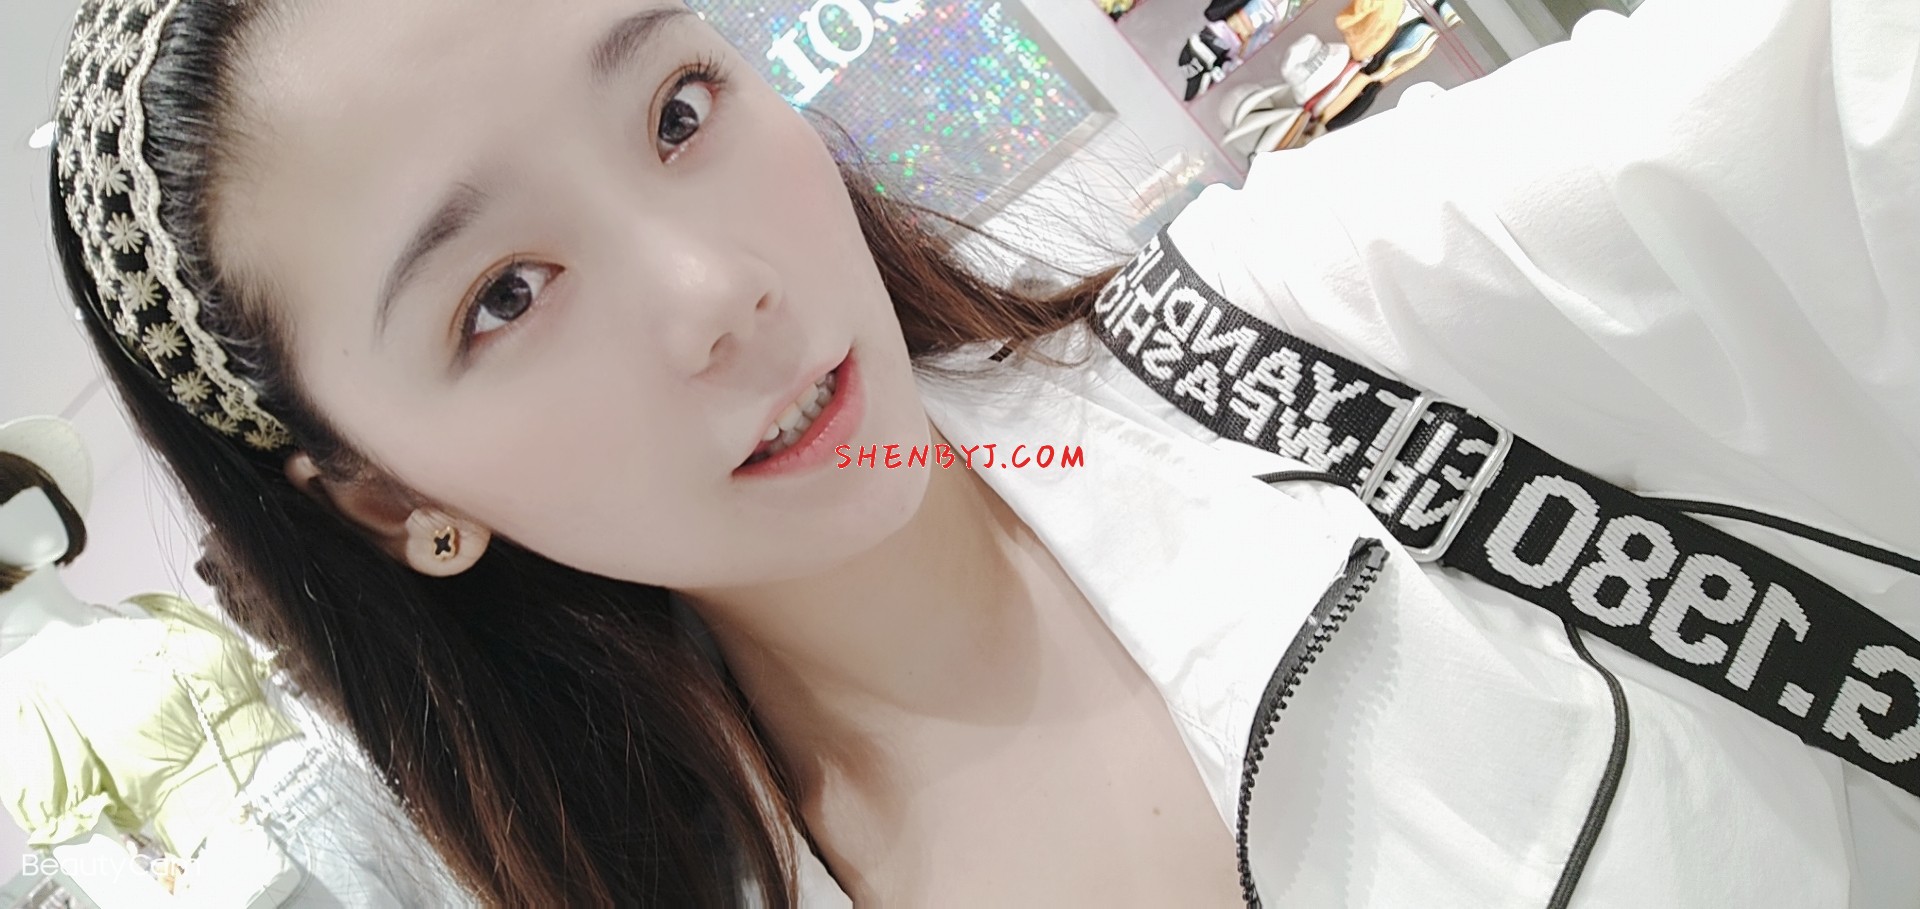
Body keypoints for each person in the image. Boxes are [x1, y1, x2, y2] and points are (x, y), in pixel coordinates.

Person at [37, 0, 1917, 906]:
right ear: (392, 498)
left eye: (679, 107)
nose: (714, 291)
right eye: (504, 295)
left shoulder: (1323, 330)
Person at [0, 416, 478, 907]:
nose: (30, 504)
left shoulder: (153, 610)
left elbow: (279, 702)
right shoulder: (19, 695)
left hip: (353, 793)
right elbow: (82, 849)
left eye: (27, 487)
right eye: (4, 501)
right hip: (264, 859)